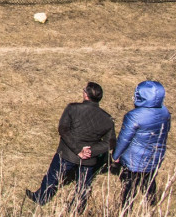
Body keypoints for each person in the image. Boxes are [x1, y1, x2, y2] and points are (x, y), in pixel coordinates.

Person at [25, 82, 115, 212]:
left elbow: (63, 129)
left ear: (86, 95)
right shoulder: (107, 119)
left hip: (68, 153)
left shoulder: (72, 109)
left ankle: (42, 198)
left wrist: (78, 150)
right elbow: (110, 143)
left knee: (54, 177)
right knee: (83, 185)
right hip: (89, 159)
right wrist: (91, 151)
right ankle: (77, 208)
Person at [112, 81, 171, 211]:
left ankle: (126, 210)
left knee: (129, 187)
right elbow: (166, 131)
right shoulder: (165, 112)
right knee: (149, 182)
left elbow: (124, 139)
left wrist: (116, 155)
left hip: (134, 160)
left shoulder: (134, 116)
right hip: (154, 156)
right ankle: (152, 208)